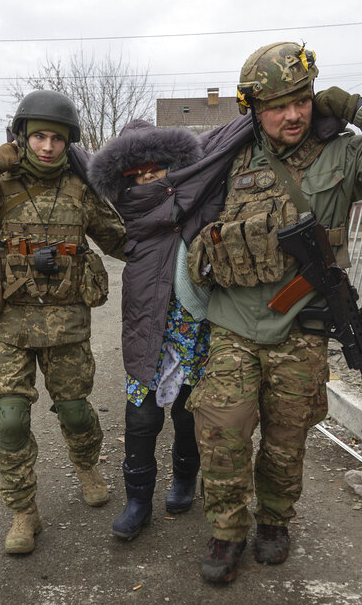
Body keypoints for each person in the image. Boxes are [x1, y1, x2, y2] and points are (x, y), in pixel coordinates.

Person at [186, 41, 362, 582]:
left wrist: (351, 105)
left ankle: (275, 521)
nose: (293, 114)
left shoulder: (343, 157)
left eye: (302, 99)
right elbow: (176, 210)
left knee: (286, 438)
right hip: (232, 323)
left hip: (301, 325)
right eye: (278, 104)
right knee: (222, 435)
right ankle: (227, 531)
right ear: (255, 109)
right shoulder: (227, 157)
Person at [0, 90, 127, 555]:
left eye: (56, 139)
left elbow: (121, 239)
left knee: (77, 411)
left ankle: (87, 465)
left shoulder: (82, 187)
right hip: (7, 326)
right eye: (37, 136)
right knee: (11, 419)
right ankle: (24, 511)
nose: (46, 147)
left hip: (65, 326)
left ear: (68, 143)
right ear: (21, 137)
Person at [88, 117, 251, 540]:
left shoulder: (202, 201)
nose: (146, 177)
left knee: (185, 414)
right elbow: (76, 162)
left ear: (171, 165)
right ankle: (138, 501)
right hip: (148, 334)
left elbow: (221, 141)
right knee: (141, 420)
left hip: (195, 331)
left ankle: (183, 480)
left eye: (154, 168)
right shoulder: (129, 221)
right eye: (136, 173)